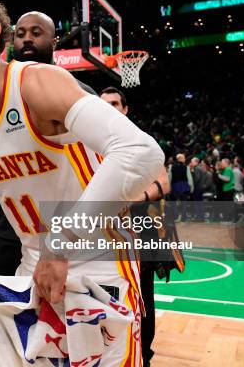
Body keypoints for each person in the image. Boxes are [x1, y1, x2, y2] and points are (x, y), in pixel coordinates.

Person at [0, 0, 163, 365]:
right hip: (35, 262)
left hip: (101, 260)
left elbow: (141, 153)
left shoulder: (37, 83)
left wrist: (63, 240)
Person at [101, 87, 171, 367]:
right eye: (104, 104)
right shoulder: (89, 143)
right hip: (105, 231)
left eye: (116, 103)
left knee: (142, 296)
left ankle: (144, 355)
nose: (110, 108)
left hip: (140, 227)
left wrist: (136, 198)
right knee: (106, 294)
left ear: (125, 108)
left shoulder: (142, 141)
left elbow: (163, 183)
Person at [13, 11, 97, 95]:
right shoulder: (4, 91)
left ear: (53, 43)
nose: (27, 39)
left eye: (36, 33)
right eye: (20, 34)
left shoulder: (81, 93)